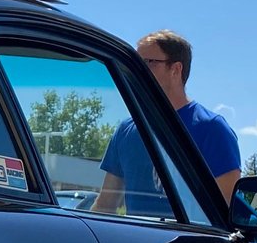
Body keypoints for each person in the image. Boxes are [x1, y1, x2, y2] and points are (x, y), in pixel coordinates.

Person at [93, 30, 242, 215]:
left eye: (148, 63)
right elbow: (105, 205)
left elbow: (226, 210)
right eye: (135, 64)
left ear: (176, 69)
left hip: (187, 234)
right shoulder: (126, 130)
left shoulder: (212, 129)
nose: (137, 71)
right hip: (136, 234)